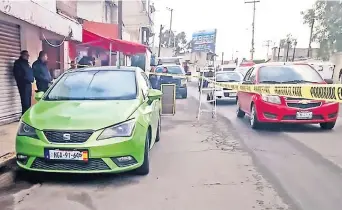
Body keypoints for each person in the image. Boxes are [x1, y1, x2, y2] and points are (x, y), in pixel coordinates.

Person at [13, 50, 34, 115]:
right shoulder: (18, 63)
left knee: (28, 102)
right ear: (22, 55)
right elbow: (18, 75)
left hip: (29, 84)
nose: (28, 56)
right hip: (23, 85)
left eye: (28, 55)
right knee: (25, 102)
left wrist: (31, 79)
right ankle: (24, 116)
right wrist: (26, 79)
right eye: (26, 55)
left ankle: (27, 115)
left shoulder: (27, 64)